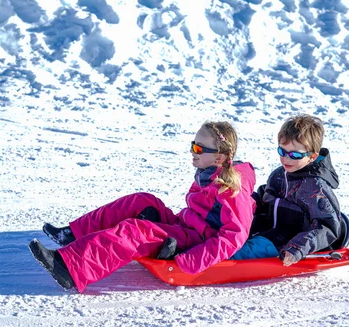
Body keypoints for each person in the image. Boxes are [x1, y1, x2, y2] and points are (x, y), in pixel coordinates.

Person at [29, 121, 256, 292]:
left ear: (219, 157)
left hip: (197, 239)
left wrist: (189, 259)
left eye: (198, 149)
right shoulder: (210, 173)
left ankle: (70, 268)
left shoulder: (232, 188)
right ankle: (73, 234)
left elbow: (234, 236)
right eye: (192, 146)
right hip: (185, 224)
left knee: (135, 231)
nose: (192, 152)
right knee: (142, 200)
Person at [231, 114, 344, 266]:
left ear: (312, 156)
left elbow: (327, 227)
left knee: (241, 252)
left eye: (295, 154)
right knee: (225, 236)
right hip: (267, 230)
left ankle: (211, 267)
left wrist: (298, 247)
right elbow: (265, 198)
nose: (286, 159)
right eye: (282, 151)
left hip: (289, 242)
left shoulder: (316, 187)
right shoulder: (279, 174)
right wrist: (239, 201)